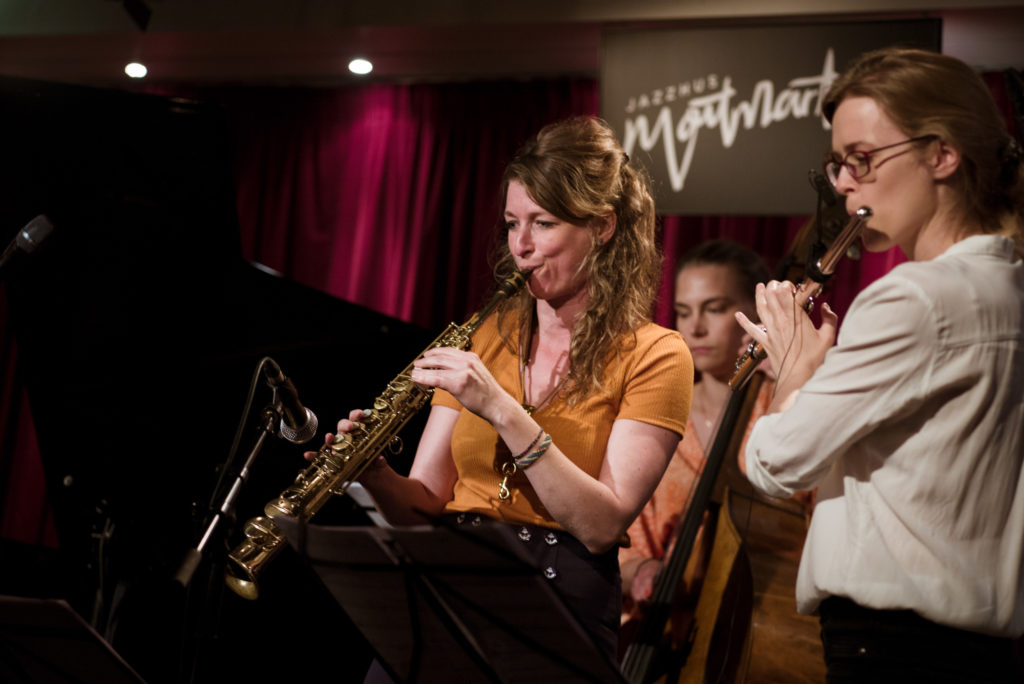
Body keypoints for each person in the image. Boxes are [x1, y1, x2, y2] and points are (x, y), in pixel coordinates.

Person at [316, 116, 693, 672]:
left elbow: (602, 524)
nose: (520, 245)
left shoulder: (657, 355)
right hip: (447, 582)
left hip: (555, 598)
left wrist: (500, 407)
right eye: (512, 222)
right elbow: (426, 502)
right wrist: (373, 477)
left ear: (604, 227)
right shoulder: (487, 333)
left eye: (543, 223)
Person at [737, 47, 1024, 682]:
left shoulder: (912, 297)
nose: (843, 184)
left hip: (892, 647)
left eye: (862, 159)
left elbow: (773, 462)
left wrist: (795, 369)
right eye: (837, 164)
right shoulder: (1009, 289)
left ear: (941, 155)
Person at [619, 240, 823, 682]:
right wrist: (641, 572)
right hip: (670, 638)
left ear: (754, 311)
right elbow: (628, 538)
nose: (694, 328)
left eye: (713, 309)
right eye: (683, 310)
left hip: (765, 632)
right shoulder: (658, 412)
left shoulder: (790, 408)